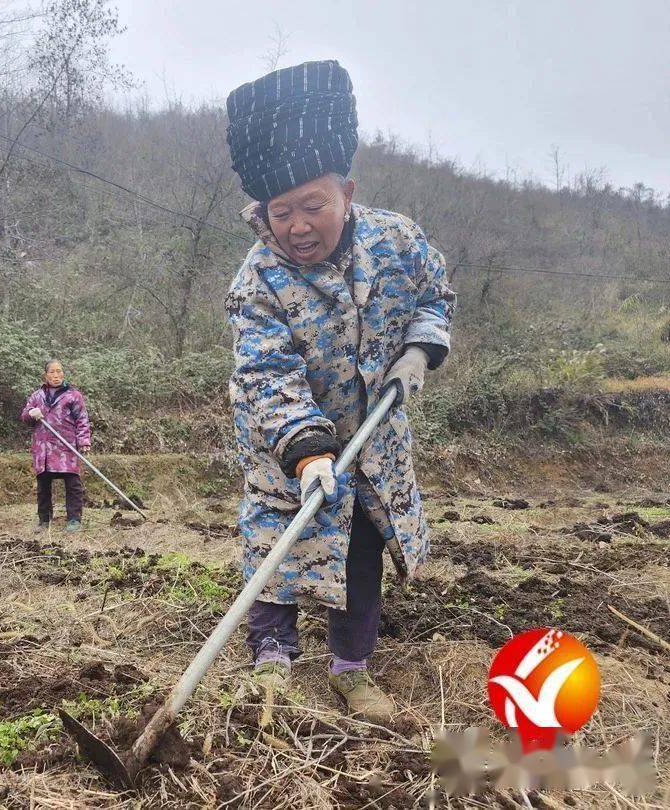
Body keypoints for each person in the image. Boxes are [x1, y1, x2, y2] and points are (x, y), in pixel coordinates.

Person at [224, 60, 455, 721]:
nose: (296, 226)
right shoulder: (257, 280)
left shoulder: (397, 240)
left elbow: (435, 290)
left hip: (373, 440)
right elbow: (267, 374)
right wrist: (306, 449)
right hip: (284, 441)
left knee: (359, 550)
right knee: (279, 539)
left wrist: (422, 344)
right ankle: (272, 658)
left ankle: (351, 670)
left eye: (313, 206)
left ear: (347, 192)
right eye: (281, 211)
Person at [20, 361, 92, 532]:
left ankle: (74, 520)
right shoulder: (37, 396)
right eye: (52, 372)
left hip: (66, 446)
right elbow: (24, 416)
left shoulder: (73, 396)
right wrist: (31, 413)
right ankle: (44, 520)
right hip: (43, 449)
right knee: (43, 485)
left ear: (63, 374)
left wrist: (83, 441)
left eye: (59, 372)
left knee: (73, 483)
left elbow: (82, 420)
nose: (56, 375)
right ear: (46, 376)